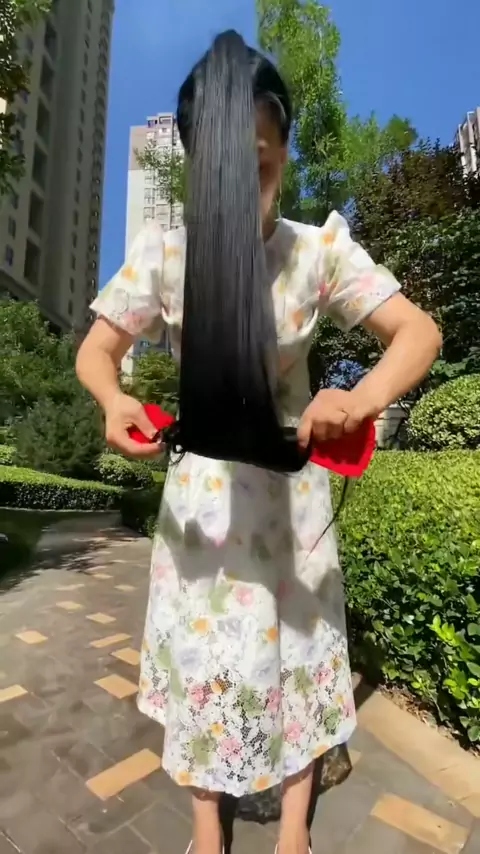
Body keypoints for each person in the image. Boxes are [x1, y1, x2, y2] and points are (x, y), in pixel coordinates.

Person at [76, 30, 441, 854]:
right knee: (205, 667)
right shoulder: (165, 256)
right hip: (203, 507)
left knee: (300, 659)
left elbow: (419, 333)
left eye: (262, 159)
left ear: (283, 152)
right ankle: (209, 826)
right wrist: (112, 398)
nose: (245, 182)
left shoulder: (316, 253)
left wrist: (361, 397)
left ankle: (294, 830)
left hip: (290, 502)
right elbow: (97, 351)